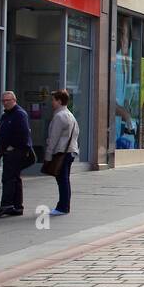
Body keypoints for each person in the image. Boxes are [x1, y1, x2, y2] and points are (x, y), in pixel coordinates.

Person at [0, 90, 32, 218]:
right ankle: (17, 207)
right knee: (15, 179)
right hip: (8, 152)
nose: (5, 103)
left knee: (8, 179)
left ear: (14, 100)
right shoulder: (6, 115)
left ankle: (6, 206)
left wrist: (13, 146)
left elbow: (24, 134)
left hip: (15, 152)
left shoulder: (19, 114)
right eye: (3, 101)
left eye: (7, 100)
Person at [44, 88, 80, 216]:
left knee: (62, 180)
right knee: (65, 180)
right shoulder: (70, 115)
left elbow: (53, 138)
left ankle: (63, 207)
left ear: (59, 101)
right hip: (70, 151)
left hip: (61, 152)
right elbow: (76, 133)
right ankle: (64, 206)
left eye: (53, 100)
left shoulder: (59, 116)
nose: (51, 103)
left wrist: (48, 156)